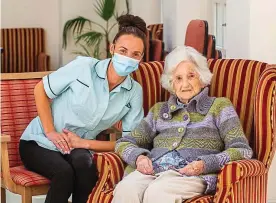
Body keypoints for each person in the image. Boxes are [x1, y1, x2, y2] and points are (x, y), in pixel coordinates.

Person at [19, 14, 147, 203]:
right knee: (64, 174)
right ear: (112, 49)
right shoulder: (83, 67)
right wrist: (50, 131)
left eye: (135, 54)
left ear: (141, 58)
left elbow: (130, 143)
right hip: (39, 141)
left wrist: (84, 144)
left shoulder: (134, 92)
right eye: (123, 50)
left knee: (87, 170)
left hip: (78, 146)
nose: (128, 58)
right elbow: (41, 90)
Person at [112, 45, 253, 203]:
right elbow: (124, 143)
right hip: (152, 170)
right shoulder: (159, 110)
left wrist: (204, 164)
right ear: (171, 83)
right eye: (178, 78)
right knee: (126, 189)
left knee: (158, 193)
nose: (185, 84)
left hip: (191, 175)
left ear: (202, 78)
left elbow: (242, 150)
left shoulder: (219, 106)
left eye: (191, 76)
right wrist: (139, 158)